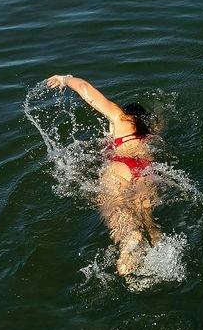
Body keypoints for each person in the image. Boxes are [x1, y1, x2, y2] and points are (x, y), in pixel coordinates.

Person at [45, 74, 162, 276]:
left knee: (118, 212)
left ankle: (129, 241)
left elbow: (85, 89)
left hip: (121, 168)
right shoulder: (151, 134)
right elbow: (160, 121)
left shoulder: (121, 118)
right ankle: (159, 250)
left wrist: (65, 79)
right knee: (149, 222)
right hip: (146, 171)